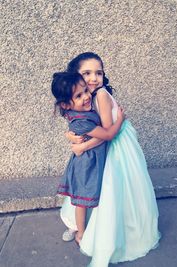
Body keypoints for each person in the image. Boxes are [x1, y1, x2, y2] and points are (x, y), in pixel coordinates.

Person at [61, 52, 161, 266]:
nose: (93, 78)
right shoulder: (84, 97)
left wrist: (83, 146)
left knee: (112, 189)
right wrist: (71, 136)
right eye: (87, 73)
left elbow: (107, 134)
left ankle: (111, 232)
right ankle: (81, 225)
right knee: (94, 185)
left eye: (99, 72)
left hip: (115, 145)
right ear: (76, 76)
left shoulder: (101, 95)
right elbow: (79, 122)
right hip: (102, 144)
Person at [51, 72, 124, 244]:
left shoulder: (85, 109)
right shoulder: (80, 120)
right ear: (66, 104)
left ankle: (89, 228)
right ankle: (81, 233)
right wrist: (120, 120)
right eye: (78, 95)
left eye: (85, 91)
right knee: (81, 201)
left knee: (89, 197)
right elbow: (108, 134)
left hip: (93, 159)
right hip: (86, 165)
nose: (86, 97)